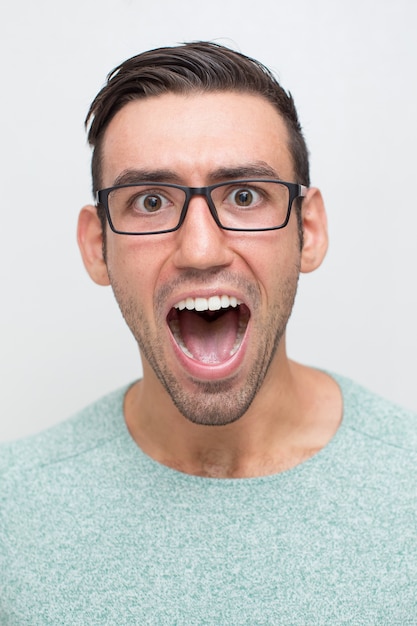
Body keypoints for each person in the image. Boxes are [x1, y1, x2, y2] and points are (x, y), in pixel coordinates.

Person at [1, 41, 416, 625]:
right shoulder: (12, 512)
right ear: (98, 246)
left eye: (245, 196)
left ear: (310, 230)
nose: (200, 249)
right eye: (149, 201)